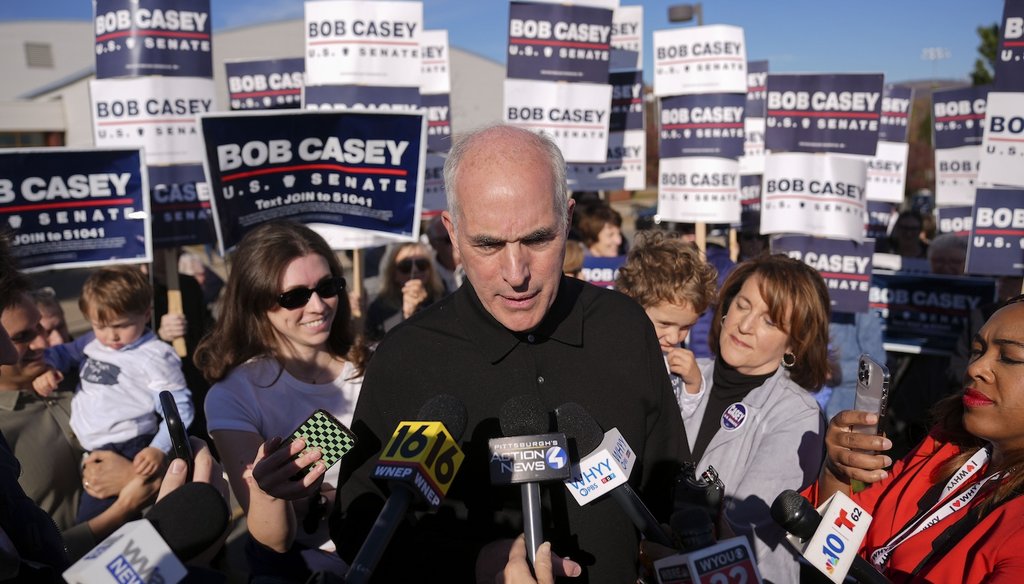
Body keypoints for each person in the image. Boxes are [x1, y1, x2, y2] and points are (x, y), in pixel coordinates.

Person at [329, 125, 685, 583]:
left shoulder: (624, 329)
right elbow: (359, 527)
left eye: (537, 239)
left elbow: (669, 482)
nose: (516, 274)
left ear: (569, 219)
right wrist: (474, 564)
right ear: (453, 235)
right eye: (488, 244)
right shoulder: (405, 357)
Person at [197, 221, 368, 581]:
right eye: (294, 297)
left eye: (328, 287)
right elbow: (272, 537)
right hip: (303, 567)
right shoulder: (233, 394)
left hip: (393, 547)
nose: (319, 306)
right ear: (256, 302)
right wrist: (273, 495)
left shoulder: (377, 363)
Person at [815, 296, 1024, 582]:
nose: (975, 368)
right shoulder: (944, 445)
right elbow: (829, 555)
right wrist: (838, 472)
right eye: (977, 350)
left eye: (1010, 357)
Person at [0, 236, 171, 564]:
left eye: (47, 327)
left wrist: (147, 472)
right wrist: (123, 506)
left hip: (149, 553)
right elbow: (22, 556)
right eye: (24, 336)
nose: (49, 342)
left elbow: (173, 434)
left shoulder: (86, 374)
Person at [680, 254, 829, 583]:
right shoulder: (680, 375)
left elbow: (743, 522)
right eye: (743, 305)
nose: (745, 326)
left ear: (795, 344)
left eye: (770, 321)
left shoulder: (797, 413)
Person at [31, 265, 194, 523]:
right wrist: (49, 369)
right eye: (100, 326)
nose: (111, 336)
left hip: (129, 446)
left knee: (98, 526)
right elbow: (63, 353)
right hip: (92, 447)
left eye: (121, 325)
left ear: (146, 314)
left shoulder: (155, 356)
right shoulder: (91, 342)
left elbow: (179, 409)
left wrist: (158, 449)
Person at [615, 231, 718, 415]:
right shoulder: (619, 351)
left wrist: (693, 385)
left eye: (686, 327)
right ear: (633, 303)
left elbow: (683, 419)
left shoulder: (676, 355)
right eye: (664, 324)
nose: (673, 337)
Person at [363, 241, 444, 343]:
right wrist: (407, 315)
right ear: (394, 273)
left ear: (430, 270)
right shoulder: (379, 308)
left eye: (421, 264)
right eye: (406, 266)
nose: (414, 270)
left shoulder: (444, 299)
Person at [426, 214, 463, 294]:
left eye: (458, 236)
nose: (455, 242)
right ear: (433, 244)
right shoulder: (426, 274)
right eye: (448, 239)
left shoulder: (476, 267)